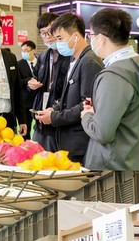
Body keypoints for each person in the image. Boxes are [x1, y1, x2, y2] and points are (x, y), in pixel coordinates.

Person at [81, 8, 139, 170]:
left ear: (101, 39)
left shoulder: (113, 76)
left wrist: (87, 115)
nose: (90, 40)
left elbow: (102, 133)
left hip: (112, 165)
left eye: (90, 35)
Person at [35, 13, 104, 163]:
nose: (57, 43)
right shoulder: (76, 60)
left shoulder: (89, 62)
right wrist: (54, 109)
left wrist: (54, 117)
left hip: (79, 142)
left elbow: (87, 105)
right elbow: (69, 99)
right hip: (68, 139)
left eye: (60, 38)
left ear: (76, 36)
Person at [28, 12, 70, 151]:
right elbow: (34, 78)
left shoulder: (71, 55)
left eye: (50, 31)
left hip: (61, 121)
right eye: (43, 33)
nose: (47, 36)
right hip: (40, 119)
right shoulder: (43, 56)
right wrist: (31, 85)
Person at [17, 41, 38, 140]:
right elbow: (17, 81)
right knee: (26, 127)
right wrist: (28, 80)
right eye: (22, 50)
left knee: (40, 126)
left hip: (39, 100)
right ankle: (26, 144)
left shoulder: (41, 62)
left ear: (33, 51)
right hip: (26, 101)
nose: (24, 53)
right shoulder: (19, 64)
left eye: (26, 50)